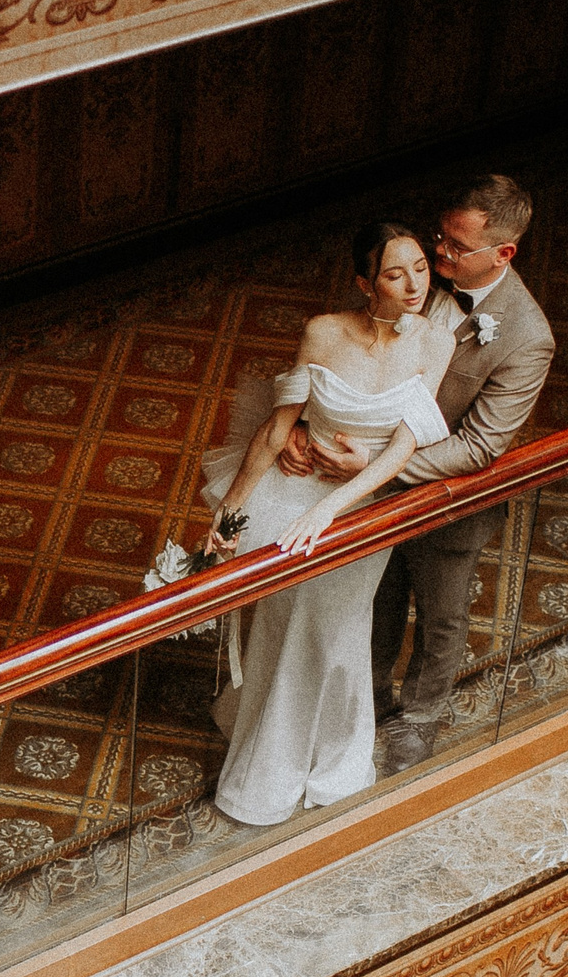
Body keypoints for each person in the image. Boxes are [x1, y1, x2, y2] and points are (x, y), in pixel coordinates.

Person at [279, 175, 556, 775]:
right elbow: (350, 353)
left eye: (456, 247)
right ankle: (367, 695)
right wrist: (307, 424)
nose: (439, 254)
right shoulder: (420, 277)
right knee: (378, 594)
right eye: (441, 238)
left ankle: (422, 715)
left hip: (448, 495)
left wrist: (379, 469)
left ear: (503, 254)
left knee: (441, 613)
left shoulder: (528, 338)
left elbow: (480, 446)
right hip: (366, 479)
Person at [193, 224, 456, 827]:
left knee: (332, 630)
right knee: (285, 621)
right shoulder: (322, 331)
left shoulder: (435, 342)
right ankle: (263, 740)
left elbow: (400, 451)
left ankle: (328, 760)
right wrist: (229, 516)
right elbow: (278, 426)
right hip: (293, 490)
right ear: (366, 284)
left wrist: (331, 511)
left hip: (363, 506)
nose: (415, 284)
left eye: (421, 267)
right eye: (395, 274)